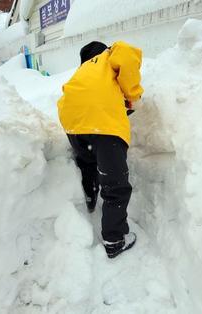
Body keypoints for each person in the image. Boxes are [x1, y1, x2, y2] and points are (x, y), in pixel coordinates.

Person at [57, 40, 143, 258]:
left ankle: (89, 196)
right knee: (116, 185)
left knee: (88, 162)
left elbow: (65, 99)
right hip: (102, 125)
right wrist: (133, 95)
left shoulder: (81, 72)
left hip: (73, 123)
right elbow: (125, 53)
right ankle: (114, 240)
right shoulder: (108, 56)